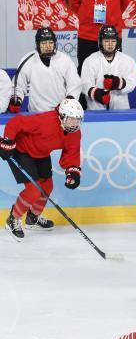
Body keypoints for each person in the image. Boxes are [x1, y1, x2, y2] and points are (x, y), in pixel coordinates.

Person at [0, 98, 83, 241]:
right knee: (33, 190)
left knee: (47, 186)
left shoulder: (74, 132)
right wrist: (8, 141)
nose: (74, 124)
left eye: (77, 120)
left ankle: (33, 218)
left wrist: (72, 173)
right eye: (71, 119)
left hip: (41, 154)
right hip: (22, 150)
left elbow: (72, 153)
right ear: (61, 116)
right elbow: (16, 122)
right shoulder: (46, 121)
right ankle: (13, 219)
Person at [8, 28, 82, 113]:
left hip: (59, 113)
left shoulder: (65, 60)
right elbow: (18, 85)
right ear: (37, 44)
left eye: (50, 42)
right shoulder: (28, 60)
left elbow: (75, 84)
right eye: (44, 43)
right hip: (35, 113)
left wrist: (67, 103)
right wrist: (16, 98)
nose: (47, 46)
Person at [81, 25, 136, 110]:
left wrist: (118, 83)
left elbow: (132, 82)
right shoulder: (90, 60)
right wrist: (97, 94)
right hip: (96, 109)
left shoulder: (127, 60)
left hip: (120, 110)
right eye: (106, 41)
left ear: (117, 42)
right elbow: (84, 84)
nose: (110, 44)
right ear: (100, 42)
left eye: (113, 41)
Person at [69, 0, 127, 75]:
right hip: (87, 34)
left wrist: (112, 15)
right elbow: (74, 2)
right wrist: (86, 14)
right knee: (85, 71)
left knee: (113, 72)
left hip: (112, 33)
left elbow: (125, 2)